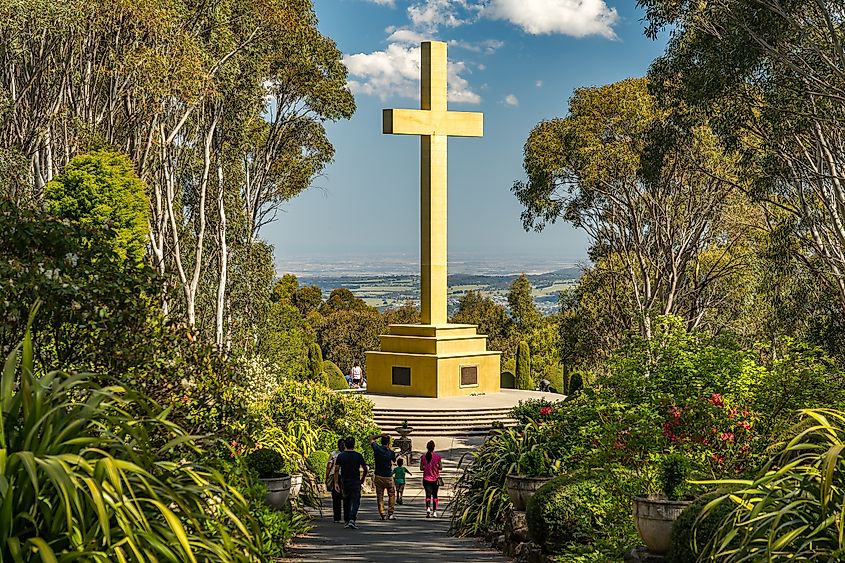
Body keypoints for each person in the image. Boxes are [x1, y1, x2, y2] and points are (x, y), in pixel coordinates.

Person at [334, 436, 368, 529]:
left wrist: (336, 482)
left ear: (345, 444)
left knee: (346, 501)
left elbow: (336, 469)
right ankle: (352, 518)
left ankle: (347, 520)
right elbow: (365, 469)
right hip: (356, 481)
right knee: (356, 500)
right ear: (354, 444)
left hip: (345, 481)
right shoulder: (358, 455)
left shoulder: (341, 456)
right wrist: (363, 478)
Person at [369, 433, 397, 520]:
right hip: (388, 476)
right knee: (391, 494)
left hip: (378, 475)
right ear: (388, 443)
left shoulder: (377, 448)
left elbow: (371, 438)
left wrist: (381, 435)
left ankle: (382, 513)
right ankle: (390, 513)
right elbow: (394, 460)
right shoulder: (391, 452)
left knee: (380, 495)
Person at [420, 440, 443, 518]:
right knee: (435, 495)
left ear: (427, 447)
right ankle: (435, 511)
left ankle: (428, 509)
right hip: (435, 478)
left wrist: (426, 467)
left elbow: (421, 468)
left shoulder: (423, 457)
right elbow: (440, 467)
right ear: (434, 448)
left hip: (426, 478)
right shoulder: (437, 457)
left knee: (428, 495)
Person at [325, 438, 345, 523]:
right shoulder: (347, 454)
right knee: (346, 497)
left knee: (336, 498)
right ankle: (347, 517)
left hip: (335, 476)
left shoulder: (334, 454)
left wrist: (327, 476)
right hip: (344, 476)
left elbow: (329, 466)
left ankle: (337, 517)